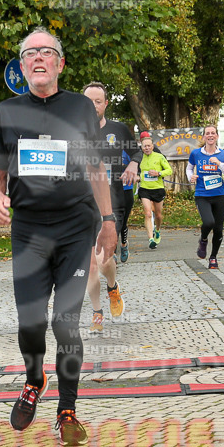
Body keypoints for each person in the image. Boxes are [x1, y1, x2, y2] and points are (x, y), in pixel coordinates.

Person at [0, 27, 117, 446]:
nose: (39, 58)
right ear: (21, 66)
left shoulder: (81, 108)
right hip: (27, 229)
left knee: (65, 323)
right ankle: (34, 378)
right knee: (30, 322)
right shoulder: (6, 111)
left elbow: (97, 168)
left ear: (60, 63)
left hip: (75, 226)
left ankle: (67, 411)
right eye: (30, 54)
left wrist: (109, 219)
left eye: (47, 52)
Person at [82, 81, 142, 332]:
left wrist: (133, 165)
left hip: (113, 203)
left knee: (104, 257)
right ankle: (97, 311)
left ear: (106, 104)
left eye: (98, 101)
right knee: (90, 264)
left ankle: (112, 287)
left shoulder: (118, 130)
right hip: (83, 204)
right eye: (89, 101)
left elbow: (137, 152)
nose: (94, 106)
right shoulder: (72, 132)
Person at [187, 125, 224, 269]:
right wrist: (191, 177)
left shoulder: (223, 154)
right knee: (208, 222)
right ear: (204, 137)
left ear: (216, 136)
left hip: (219, 195)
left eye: (213, 133)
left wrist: (220, 164)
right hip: (202, 194)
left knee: (219, 229)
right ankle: (203, 240)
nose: (210, 135)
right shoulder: (196, 153)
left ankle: (213, 257)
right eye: (207, 133)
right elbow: (189, 168)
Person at [137, 135, 172, 249]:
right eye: (144, 146)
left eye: (148, 146)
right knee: (147, 213)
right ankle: (151, 238)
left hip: (157, 189)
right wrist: (137, 176)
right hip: (144, 189)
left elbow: (169, 170)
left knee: (158, 215)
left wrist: (158, 173)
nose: (146, 148)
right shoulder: (138, 158)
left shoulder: (159, 156)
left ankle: (157, 230)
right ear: (141, 147)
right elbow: (136, 171)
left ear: (152, 146)